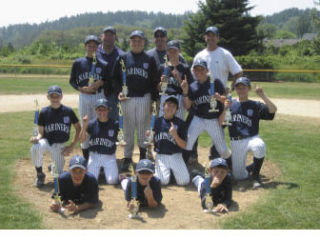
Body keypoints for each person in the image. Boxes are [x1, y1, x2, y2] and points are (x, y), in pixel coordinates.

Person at [190, 26, 243, 162]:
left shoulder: (224, 54)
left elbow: (238, 72)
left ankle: (216, 153)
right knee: (193, 125)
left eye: (213, 35)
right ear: (205, 37)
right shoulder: (199, 55)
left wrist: (230, 89)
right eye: (208, 35)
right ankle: (192, 154)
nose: (211, 38)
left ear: (218, 38)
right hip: (200, 98)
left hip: (219, 99)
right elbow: (193, 75)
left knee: (219, 127)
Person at [112, 30, 159, 172]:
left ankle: (143, 156)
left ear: (144, 42)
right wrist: (118, 91)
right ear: (130, 42)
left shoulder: (149, 59)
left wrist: (154, 100)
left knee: (143, 128)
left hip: (144, 97)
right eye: (134, 40)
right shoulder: (123, 58)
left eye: (139, 40)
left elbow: (154, 81)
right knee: (127, 128)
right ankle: (127, 158)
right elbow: (114, 79)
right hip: (127, 98)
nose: (136, 43)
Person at [219, 77, 277, 188]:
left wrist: (262, 95)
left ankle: (255, 177)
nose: (241, 90)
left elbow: (273, 110)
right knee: (239, 176)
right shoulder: (231, 105)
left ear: (249, 88)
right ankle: (251, 167)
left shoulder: (255, 105)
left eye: (243, 87)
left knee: (259, 146)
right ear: (235, 89)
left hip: (251, 138)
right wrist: (225, 108)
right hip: (236, 142)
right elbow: (222, 124)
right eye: (238, 87)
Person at [181, 59, 232, 164]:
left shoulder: (215, 82)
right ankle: (183, 166)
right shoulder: (193, 86)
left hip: (214, 119)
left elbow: (226, 99)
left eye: (202, 69)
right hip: (198, 118)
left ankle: (231, 165)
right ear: (193, 71)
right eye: (196, 69)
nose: (199, 71)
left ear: (207, 70)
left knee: (223, 149)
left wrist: (220, 98)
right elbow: (187, 105)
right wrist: (185, 92)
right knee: (188, 142)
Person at [30, 85, 80, 187]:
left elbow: (78, 128)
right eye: (52, 96)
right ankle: (40, 174)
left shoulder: (68, 111)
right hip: (47, 141)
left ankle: (54, 165)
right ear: (48, 97)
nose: (55, 99)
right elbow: (41, 133)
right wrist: (37, 138)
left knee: (58, 177)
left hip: (60, 145)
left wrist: (71, 146)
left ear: (61, 97)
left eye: (57, 96)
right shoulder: (44, 112)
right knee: (35, 148)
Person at [69, 35, 109, 163]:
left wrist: (102, 82)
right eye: (89, 45)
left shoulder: (103, 64)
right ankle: (86, 158)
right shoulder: (78, 63)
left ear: (98, 47)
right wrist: (80, 88)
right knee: (84, 125)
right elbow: (72, 81)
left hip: (99, 96)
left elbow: (110, 81)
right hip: (84, 96)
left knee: (99, 124)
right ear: (85, 46)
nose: (91, 47)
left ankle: (98, 155)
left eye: (94, 45)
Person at [79, 98, 119, 184]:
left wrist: (122, 142)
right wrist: (84, 125)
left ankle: (107, 173)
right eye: (99, 109)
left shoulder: (115, 124)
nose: (102, 112)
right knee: (90, 181)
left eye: (104, 109)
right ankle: (99, 172)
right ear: (96, 110)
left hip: (109, 157)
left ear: (108, 110)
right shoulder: (91, 124)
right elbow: (81, 140)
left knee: (113, 181)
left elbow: (122, 139)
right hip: (94, 157)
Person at [152, 96, 190, 185]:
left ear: (176, 109)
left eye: (173, 106)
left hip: (176, 155)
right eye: (168, 105)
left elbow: (184, 145)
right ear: (163, 106)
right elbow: (153, 142)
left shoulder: (180, 123)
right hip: (161, 156)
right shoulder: (156, 122)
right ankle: (169, 174)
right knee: (162, 181)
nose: (170, 108)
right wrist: (149, 137)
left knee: (184, 181)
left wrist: (175, 135)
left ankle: (172, 174)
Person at [158, 40, 193, 120]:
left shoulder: (185, 68)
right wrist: (161, 83)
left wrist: (179, 78)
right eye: (170, 51)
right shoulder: (162, 67)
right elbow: (159, 89)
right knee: (163, 125)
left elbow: (188, 88)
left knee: (178, 125)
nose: (172, 53)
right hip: (165, 97)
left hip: (179, 98)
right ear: (167, 52)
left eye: (175, 50)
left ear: (179, 51)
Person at [96, 26, 125, 121]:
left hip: (113, 93)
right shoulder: (94, 52)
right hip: (96, 92)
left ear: (115, 38)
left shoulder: (121, 55)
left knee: (113, 122)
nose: (108, 37)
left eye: (111, 35)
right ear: (101, 36)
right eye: (106, 35)